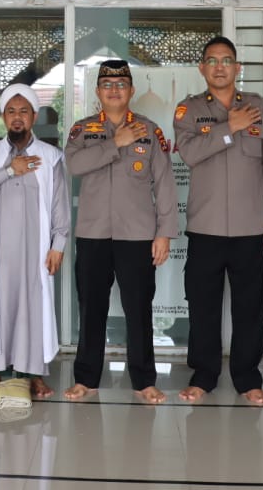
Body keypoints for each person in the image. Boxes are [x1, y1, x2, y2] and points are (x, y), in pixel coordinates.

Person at [173, 36, 263, 405]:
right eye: (212, 60)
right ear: (202, 68)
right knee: (202, 306)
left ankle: (248, 378)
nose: (219, 67)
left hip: (250, 227)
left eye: (226, 61)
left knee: (249, 308)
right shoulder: (188, 110)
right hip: (205, 227)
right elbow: (189, 154)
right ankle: (203, 375)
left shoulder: (259, 107)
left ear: (237, 68)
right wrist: (229, 127)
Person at [63, 59, 177, 404]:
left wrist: (164, 233)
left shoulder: (149, 130)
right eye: (107, 84)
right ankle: (86, 379)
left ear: (131, 90)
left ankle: (144, 381)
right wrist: (115, 143)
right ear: (98, 91)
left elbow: (165, 183)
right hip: (94, 233)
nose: (114, 90)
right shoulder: (82, 130)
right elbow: (74, 164)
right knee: (91, 308)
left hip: (137, 235)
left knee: (139, 310)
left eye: (121, 84)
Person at [0, 84, 69, 401]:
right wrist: (10, 170)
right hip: (0, 252)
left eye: (24, 111)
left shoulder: (51, 156)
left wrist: (58, 245)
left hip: (36, 251)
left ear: (34, 116)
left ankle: (33, 375)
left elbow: (60, 206)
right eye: (11, 111)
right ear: (4, 116)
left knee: (33, 309)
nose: (17, 117)